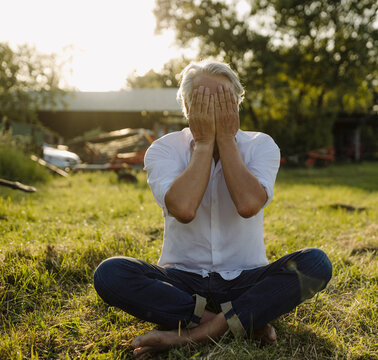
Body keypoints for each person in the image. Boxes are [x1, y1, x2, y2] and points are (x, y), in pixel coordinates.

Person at [93, 60, 332, 358]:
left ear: (237, 105)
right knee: (110, 273)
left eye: (223, 101)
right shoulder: (164, 149)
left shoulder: (261, 145)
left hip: (246, 278)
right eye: (204, 101)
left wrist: (227, 140)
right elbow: (183, 208)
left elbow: (248, 205)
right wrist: (204, 144)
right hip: (182, 280)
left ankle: (192, 335)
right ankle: (243, 322)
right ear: (188, 108)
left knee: (317, 263)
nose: (215, 109)